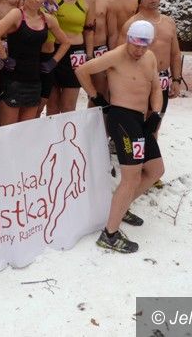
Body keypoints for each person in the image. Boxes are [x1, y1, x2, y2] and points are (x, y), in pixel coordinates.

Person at [75, 20, 165, 253]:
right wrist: (97, 97)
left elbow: (156, 88)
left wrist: (156, 113)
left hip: (141, 120)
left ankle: (121, 207)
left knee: (155, 170)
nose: (139, 51)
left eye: (144, 46)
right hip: (122, 119)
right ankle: (110, 234)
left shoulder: (150, 57)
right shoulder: (116, 56)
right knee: (131, 177)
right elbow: (82, 70)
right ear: (128, 40)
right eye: (135, 45)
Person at [0, 0, 70, 125]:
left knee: (26, 130)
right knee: (8, 130)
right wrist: (4, 58)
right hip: (13, 80)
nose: (38, 0)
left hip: (34, 80)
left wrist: (53, 62)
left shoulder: (47, 19)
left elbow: (65, 42)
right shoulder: (16, 14)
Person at [119, 0, 182, 123]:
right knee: (137, 122)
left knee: (155, 121)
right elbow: (121, 56)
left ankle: (152, 138)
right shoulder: (131, 24)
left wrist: (176, 80)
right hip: (140, 77)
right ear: (139, 1)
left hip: (162, 77)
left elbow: (175, 54)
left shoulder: (169, 22)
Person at [47, 0, 95, 114]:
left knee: (69, 106)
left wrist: (89, 55)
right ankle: (51, 131)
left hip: (76, 52)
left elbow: (89, 30)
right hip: (54, 50)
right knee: (52, 106)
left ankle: (68, 131)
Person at [82, 0, 115, 106]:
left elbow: (113, 33)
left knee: (99, 95)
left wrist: (112, 56)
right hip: (77, 49)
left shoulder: (107, 1)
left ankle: (94, 121)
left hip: (99, 49)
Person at [37, 0, 62, 115]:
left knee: (42, 104)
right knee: (34, 106)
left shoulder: (53, 6)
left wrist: (54, 60)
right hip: (37, 57)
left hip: (49, 58)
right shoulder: (37, 7)